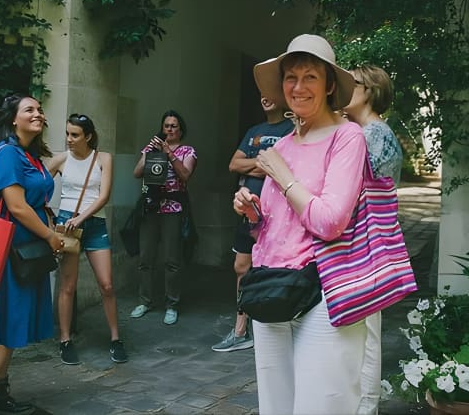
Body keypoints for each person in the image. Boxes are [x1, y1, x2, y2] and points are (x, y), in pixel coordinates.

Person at [233, 34, 371, 415]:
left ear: (329, 85)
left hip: (325, 292)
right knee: (275, 407)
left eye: (310, 76)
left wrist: (282, 175)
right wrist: (253, 213)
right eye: (291, 78)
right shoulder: (284, 145)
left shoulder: (348, 138)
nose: (298, 87)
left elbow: (329, 222)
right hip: (273, 286)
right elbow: (275, 229)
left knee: (321, 406)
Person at [0, 94, 63, 415]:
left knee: (12, 324)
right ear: (13, 119)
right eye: (29, 110)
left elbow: (33, 201)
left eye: (39, 109)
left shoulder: (29, 155)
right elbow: (18, 206)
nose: (38, 113)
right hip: (10, 252)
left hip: (27, 251)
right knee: (4, 326)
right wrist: (50, 236)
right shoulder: (8, 153)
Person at [343, 64, 404, 414]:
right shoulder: (367, 131)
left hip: (366, 245)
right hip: (369, 242)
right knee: (363, 332)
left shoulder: (373, 134)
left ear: (369, 91)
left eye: (353, 83)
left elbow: (357, 194)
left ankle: (365, 408)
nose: (344, 88)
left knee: (366, 334)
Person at [212, 96, 293, 352]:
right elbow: (233, 164)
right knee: (241, 266)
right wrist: (264, 164)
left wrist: (256, 166)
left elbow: (287, 168)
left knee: (273, 267)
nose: (265, 97)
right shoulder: (254, 132)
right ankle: (240, 329)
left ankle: (274, 329)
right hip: (249, 211)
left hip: (277, 213)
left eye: (271, 93)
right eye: (261, 94)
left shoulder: (290, 130)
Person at [46, 113, 127, 365]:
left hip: (92, 222)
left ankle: (116, 339)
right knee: (68, 286)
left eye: (75, 135)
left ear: (88, 136)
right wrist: (49, 217)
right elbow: (36, 186)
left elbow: (103, 196)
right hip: (67, 224)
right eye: (68, 134)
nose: (69, 139)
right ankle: (65, 339)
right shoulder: (60, 159)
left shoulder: (103, 158)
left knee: (107, 285)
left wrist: (80, 219)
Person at [130, 109, 197, 326]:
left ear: (180, 129)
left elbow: (185, 175)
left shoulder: (187, 151)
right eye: (166, 126)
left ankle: (171, 304)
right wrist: (149, 152)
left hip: (173, 209)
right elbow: (137, 172)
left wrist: (169, 153)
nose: (169, 129)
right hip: (151, 208)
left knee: (172, 260)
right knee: (145, 258)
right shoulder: (152, 148)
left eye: (173, 126)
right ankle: (145, 301)